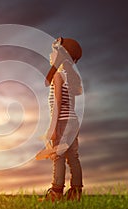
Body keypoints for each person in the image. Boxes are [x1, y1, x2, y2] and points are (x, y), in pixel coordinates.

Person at [43, 37, 83, 202]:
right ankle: (76, 192)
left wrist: (52, 128)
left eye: (53, 51)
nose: (50, 54)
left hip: (63, 122)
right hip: (73, 122)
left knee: (58, 156)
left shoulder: (58, 76)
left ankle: (56, 192)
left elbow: (58, 104)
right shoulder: (71, 77)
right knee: (73, 157)